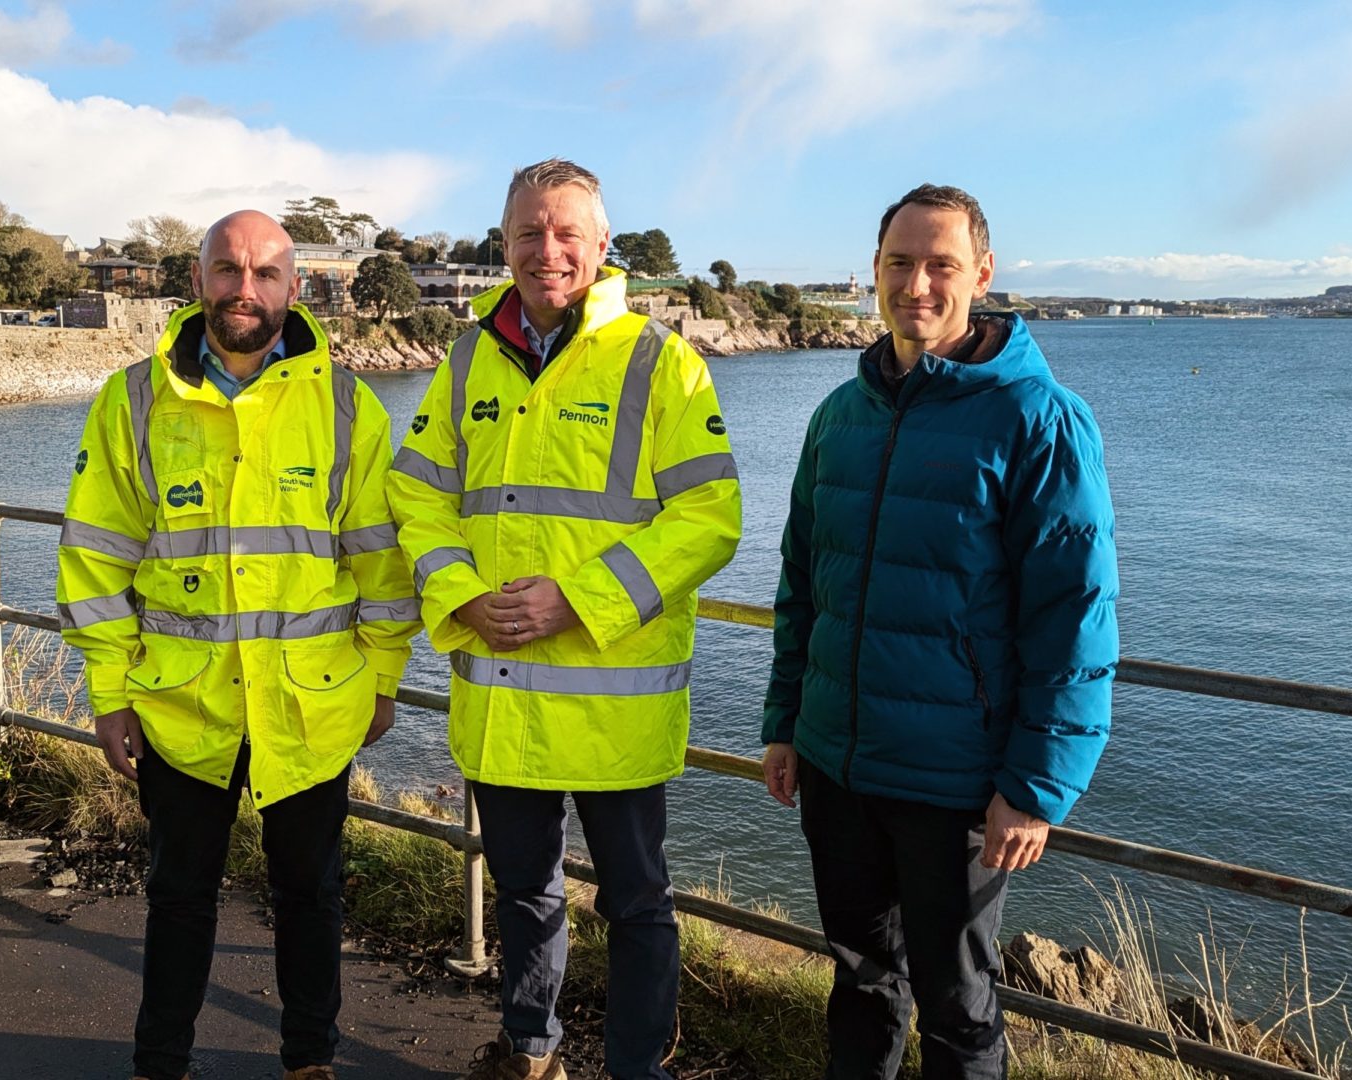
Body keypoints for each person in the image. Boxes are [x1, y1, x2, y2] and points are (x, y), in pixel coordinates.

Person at [387, 158, 742, 1080]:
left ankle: (634, 1069)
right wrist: (460, 590)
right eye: (528, 234)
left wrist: (579, 599)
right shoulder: (466, 357)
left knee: (636, 903)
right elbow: (415, 494)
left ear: (600, 244)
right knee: (524, 892)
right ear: (502, 244)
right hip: (502, 693)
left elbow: (708, 519)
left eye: (566, 234)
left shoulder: (661, 360)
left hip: (612, 701)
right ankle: (533, 1047)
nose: (547, 251)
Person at [761, 184, 1119, 1079]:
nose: (917, 284)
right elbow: (803, 583)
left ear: (982, 274)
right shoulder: (839, 415)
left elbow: (1075, 616)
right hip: (838, 764)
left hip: (955, 784)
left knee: (959, 1006)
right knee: (858, 982)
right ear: (874, 272)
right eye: (898, 263)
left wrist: (1038, 785)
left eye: (941, 264)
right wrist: (784, 722)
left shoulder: (1038, 420)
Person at [56, 210, 418, 1080]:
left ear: (296, 288)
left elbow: (380, 558)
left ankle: (309, 1061)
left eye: (263, 273)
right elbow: (96, 555)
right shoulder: (133, 400)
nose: (243, 289)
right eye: (227, 270)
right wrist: (109, 691)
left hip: (311, 699)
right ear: (198, 279)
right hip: (184, 703)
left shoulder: (346, 406)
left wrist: (385, 678)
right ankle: (162, 1062)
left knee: (312, 897)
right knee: (178, 897)